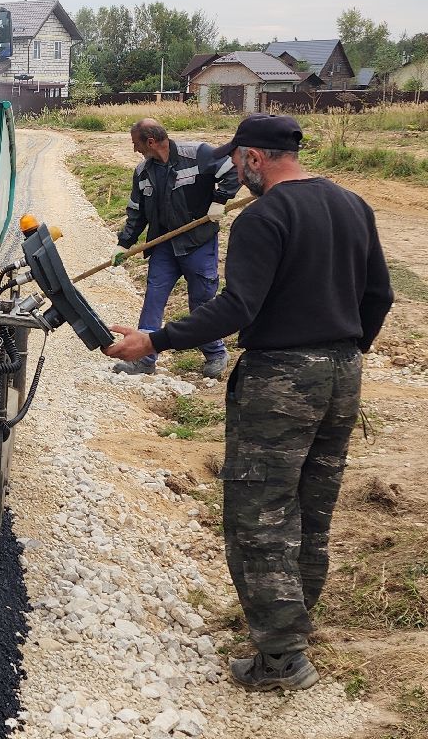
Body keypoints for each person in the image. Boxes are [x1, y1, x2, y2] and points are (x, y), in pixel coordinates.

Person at [103, 114, 394, 693]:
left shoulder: (266, 217)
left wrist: (152, 339)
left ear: (255, 158)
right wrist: (344, 349)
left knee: (259, 515)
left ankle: (282, 658)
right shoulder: (353, 205)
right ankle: (292, 625)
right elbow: (379, 296)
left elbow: (237, 308)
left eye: (238, 164)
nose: (236, 175)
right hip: (343, 374)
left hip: (282, 380)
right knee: (311, 512)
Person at [110, 119, 238, 380]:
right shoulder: (143, 172)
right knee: (153, 300)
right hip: (164, 245)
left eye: (136, 144)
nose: (135, 150)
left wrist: (219, 200)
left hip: (197, 242)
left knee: (201, 301)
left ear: (150, 141)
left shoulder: (199, 154)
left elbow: (233, 169)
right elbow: (137, 212)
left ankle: (215, 353)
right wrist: (124, 243)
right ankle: (145, 359)